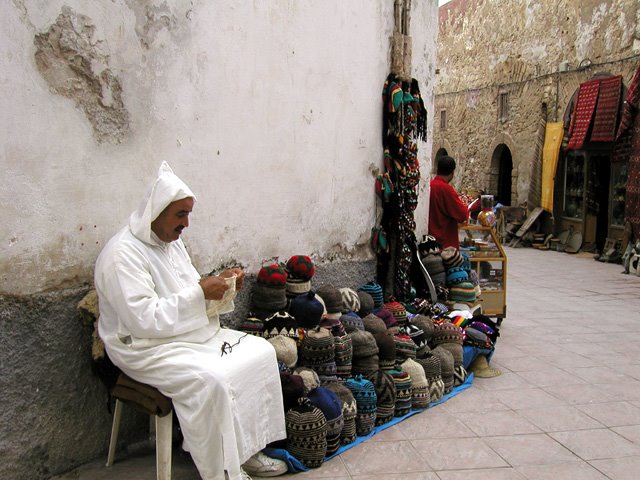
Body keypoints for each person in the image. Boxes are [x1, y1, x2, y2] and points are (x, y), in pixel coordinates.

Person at [94, 162, 287, 480]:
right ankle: (224, 469)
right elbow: (145, 320)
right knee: (213, 380)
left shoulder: (170, 242)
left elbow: (189, 290)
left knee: (261, 352)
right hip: (143, 347)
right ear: (157, 211)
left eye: (188, 214)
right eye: (180, 215)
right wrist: (201, 294)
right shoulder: (121, 256)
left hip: (184, 333)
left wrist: (223, 286)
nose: (186, 223)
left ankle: (245, 451)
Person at [428, 155, 469, 249]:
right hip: (444, 242)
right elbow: (463, 214)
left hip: (431, 238)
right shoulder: (446, 189)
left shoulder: (430, 185)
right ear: (452, 172)